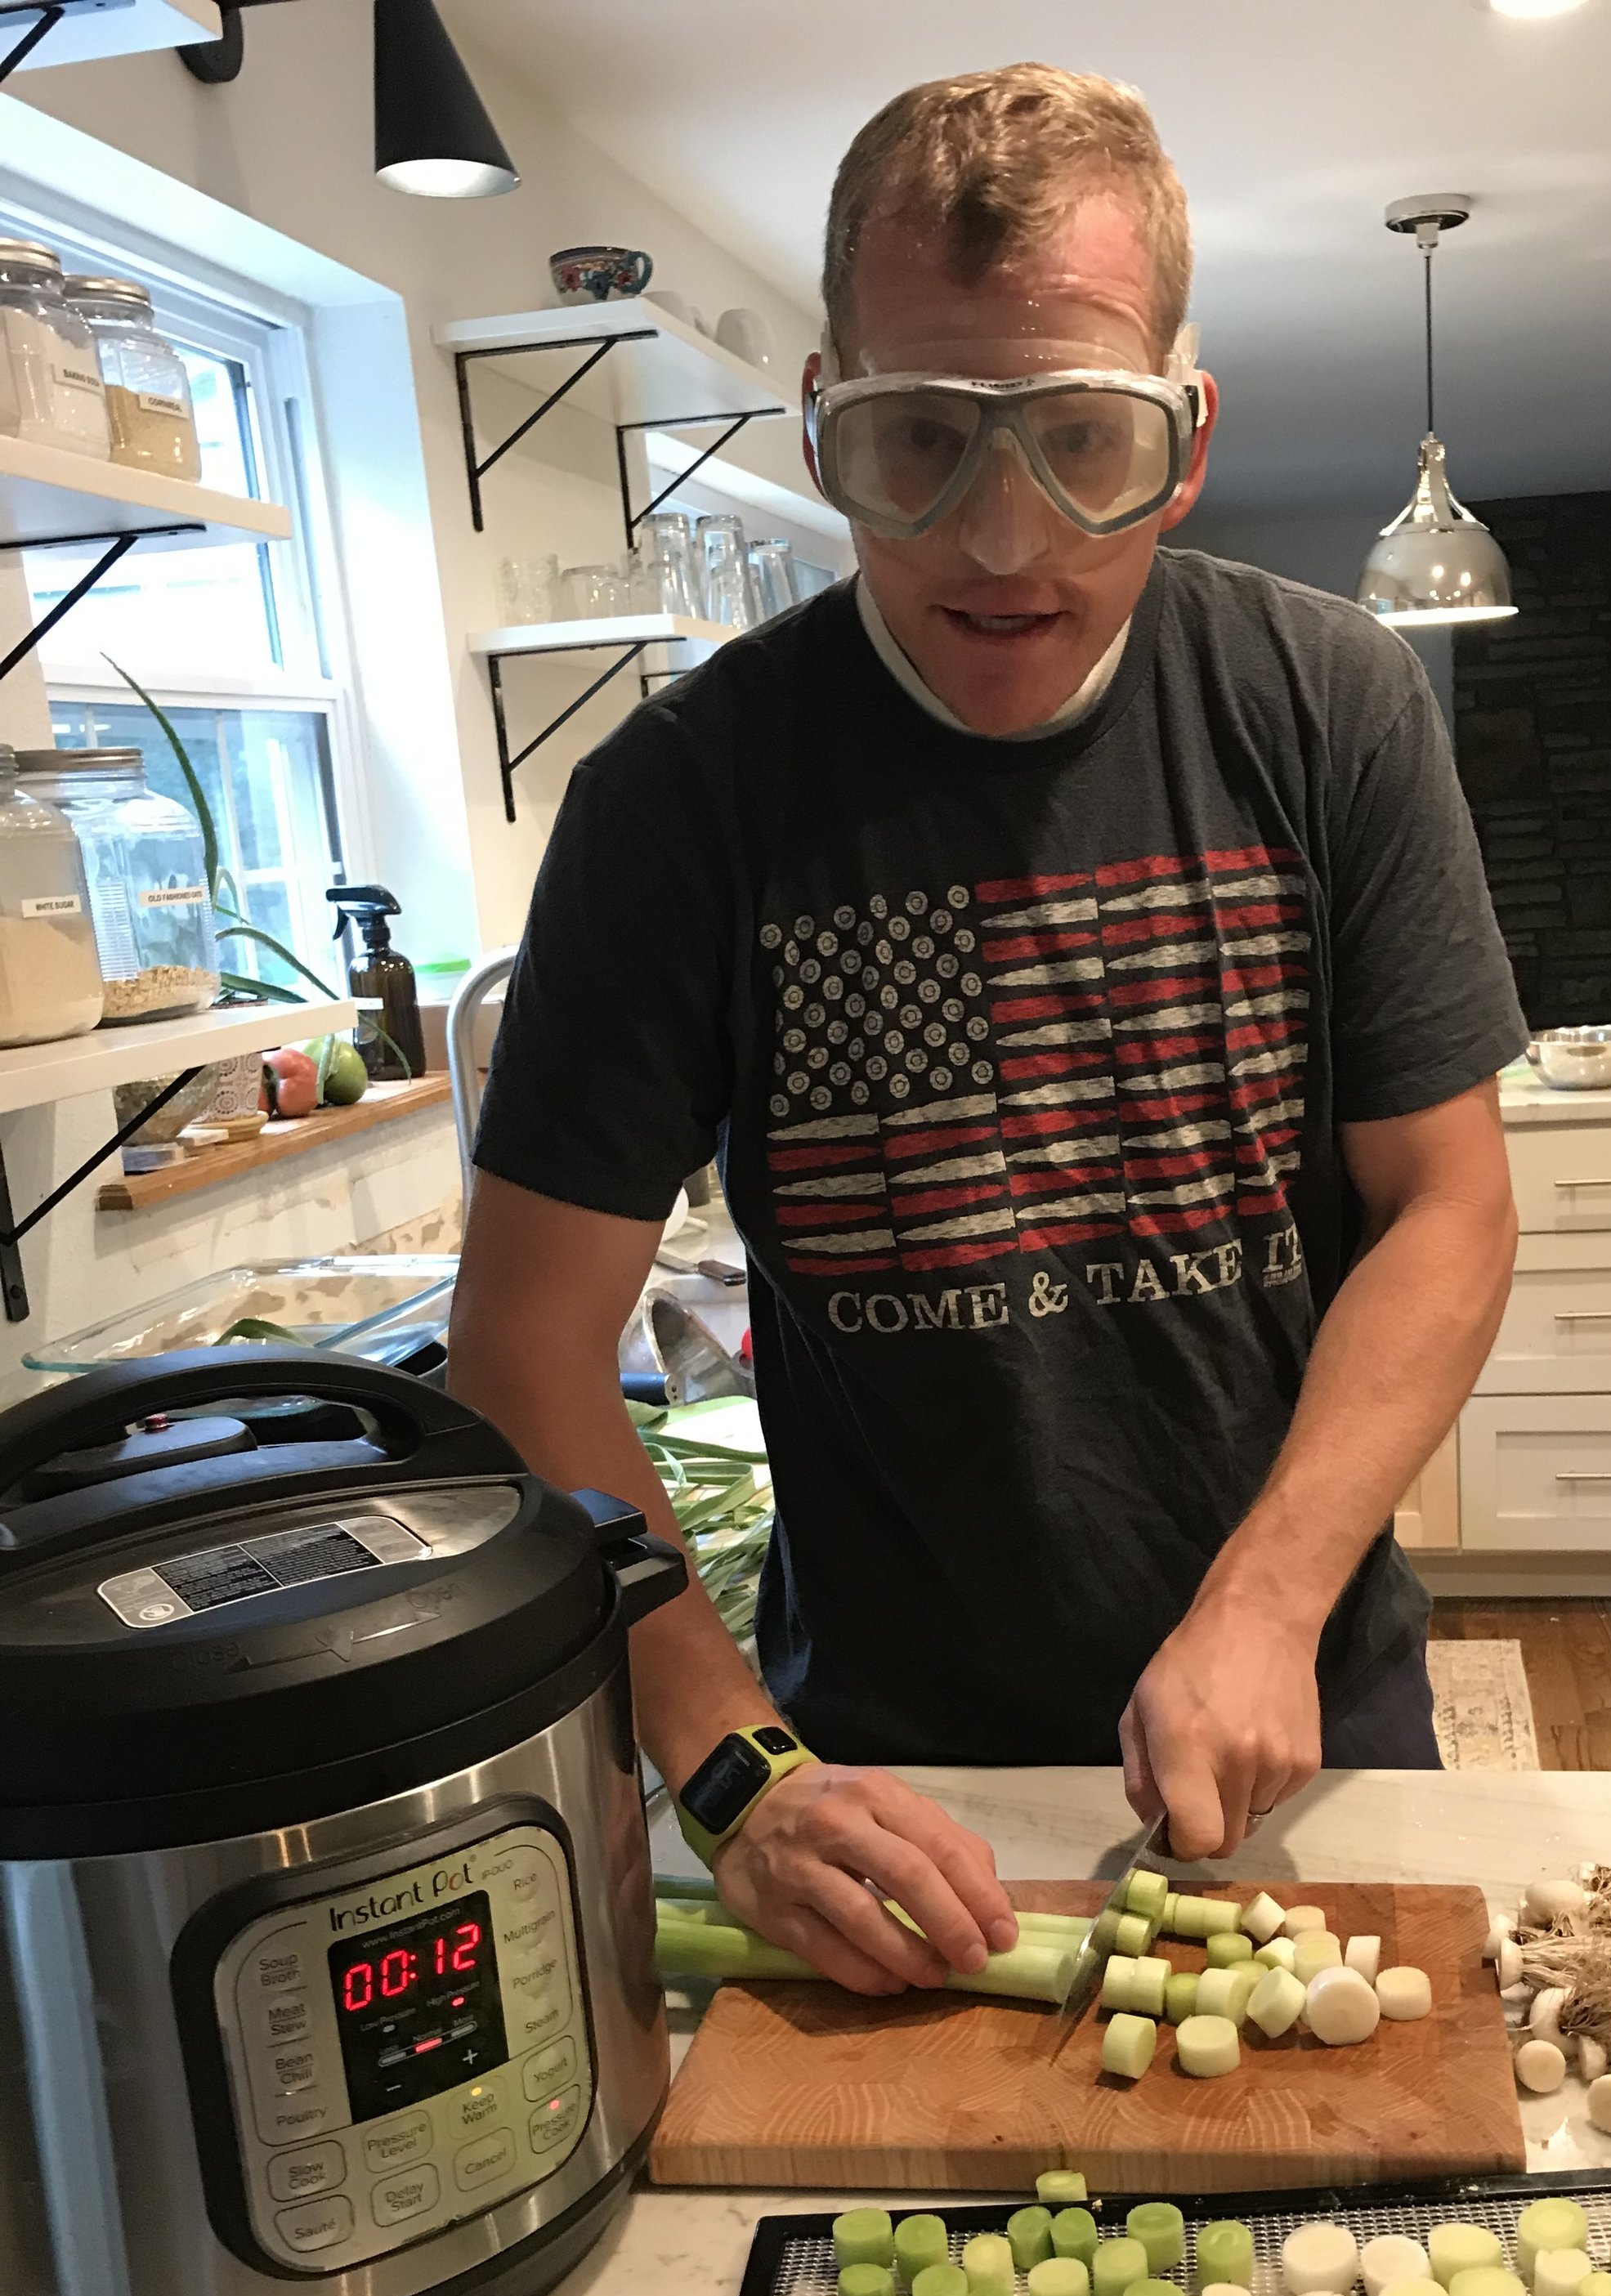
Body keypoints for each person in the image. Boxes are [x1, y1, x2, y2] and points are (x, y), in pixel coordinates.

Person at [448, 63, 1525, 1997]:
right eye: (918, 441)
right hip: (873, 1771)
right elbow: (524, 1352)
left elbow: (1445, 1206)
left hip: (1302, 1703)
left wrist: (1267, 1599)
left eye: (1079, 442)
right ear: (819, 432)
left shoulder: (1332, 707)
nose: (1004, 539)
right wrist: (725, 1758)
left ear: (1183, 441)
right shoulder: (680, 804)